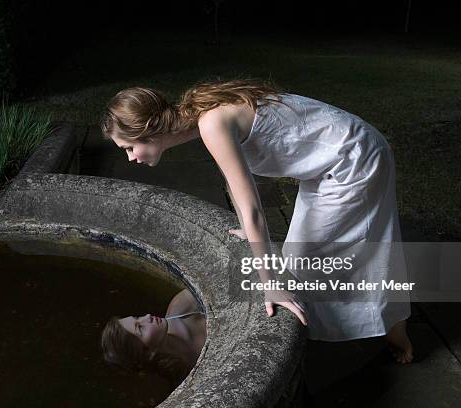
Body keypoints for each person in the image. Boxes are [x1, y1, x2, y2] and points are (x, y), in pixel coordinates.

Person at [100, 79, 413, 364]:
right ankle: (384, 322)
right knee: (315, 258)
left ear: (150, 128)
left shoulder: (211, 123)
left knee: (307, 262)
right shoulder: (204, 116)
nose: (131, 157)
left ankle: (393, 330)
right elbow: (233, 181)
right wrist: (245, 228)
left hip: (354, 161)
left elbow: (254, 211)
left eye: (129, 147)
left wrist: (269, 284)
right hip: (332, 166)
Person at [101, 289, 206, 382]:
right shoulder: (182, 375)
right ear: (147, 353)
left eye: (137, 318)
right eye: (140, 328)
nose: (147, 316)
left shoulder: (181, 308)